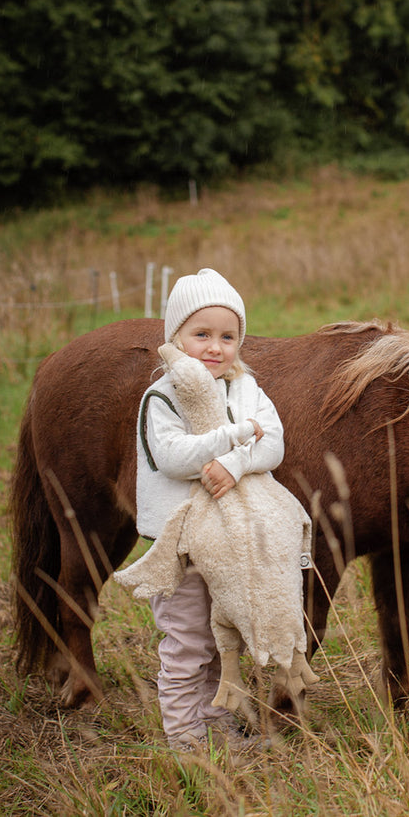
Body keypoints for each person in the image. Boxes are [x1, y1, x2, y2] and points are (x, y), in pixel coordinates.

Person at [135, 268, 286, 753]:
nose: (215, 347)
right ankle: (186, 740)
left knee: (224, 634)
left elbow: (274, 443)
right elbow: (175, 458)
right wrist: (234, 437)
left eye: (228, 336)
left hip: (227, 538)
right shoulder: (163, 395)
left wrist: (235, 461)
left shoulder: (245, 388)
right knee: (186, 642)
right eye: (201, 334)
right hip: (180, 542)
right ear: (175, 337)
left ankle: (217, 725)